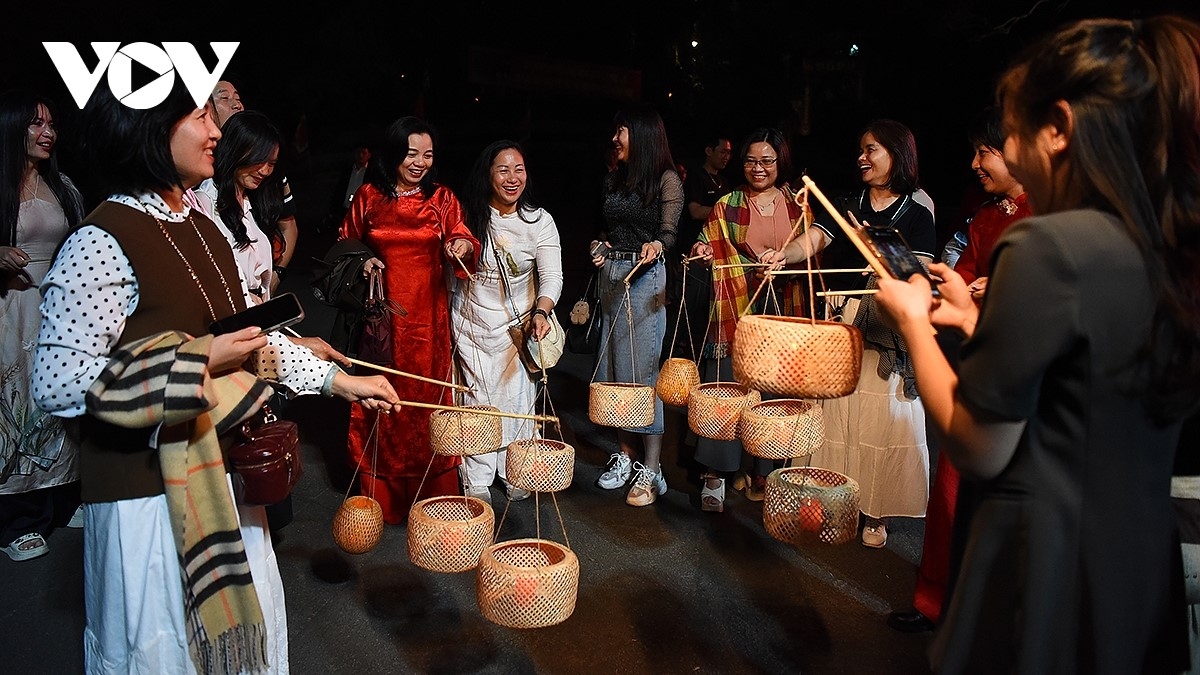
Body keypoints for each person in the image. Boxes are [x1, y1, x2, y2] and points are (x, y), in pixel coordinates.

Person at [31, 81, 402, 674]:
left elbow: (246, 344)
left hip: (221, 479)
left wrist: (339, 383)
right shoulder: (101, 240)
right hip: (146, 499)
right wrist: (198, 360)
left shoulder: (205, 229)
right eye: (200, 117)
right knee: (163, 652)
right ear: (149, 128)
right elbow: (59, 382)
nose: (216, 131)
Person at [874, 15, 1200, 673]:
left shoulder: (1047, 244)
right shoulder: (1169, 245)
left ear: (1059, 128)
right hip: (1139, 560)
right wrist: (972, 321)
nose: (1004, 152)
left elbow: (978, 443)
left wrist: (914, 319)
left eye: (1012, 131)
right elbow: (1090, 381)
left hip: (1046, 562)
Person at [887, 105, 1030, 634]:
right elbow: (965, 270)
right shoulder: (988, 216)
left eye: (984, 151)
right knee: (950, 488)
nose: (975, 163)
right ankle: (936, 602)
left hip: (1023, 377)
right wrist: (949, 283)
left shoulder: (1056, 218)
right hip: (977, 359)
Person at [338, 115, 479, 524]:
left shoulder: (441, 199)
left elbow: (465, 237)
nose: (420, 162)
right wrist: (363, 262)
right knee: (379, 396)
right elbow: (345, 244)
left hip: (426, 323)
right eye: (411, 153)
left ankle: (431, 495)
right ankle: (378, 496)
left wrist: (458, 246)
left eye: (428, 155)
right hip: (380, 320)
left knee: (424, 403)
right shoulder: (368, 196)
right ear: (394, 152)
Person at [804, 119, 936, 547]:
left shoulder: (916, 213)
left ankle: (875, 513)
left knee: (881, 421)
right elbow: (813, 241)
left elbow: (913, 276)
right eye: (861, 149)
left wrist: (876, 249)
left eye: (872, 149)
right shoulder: (847, 202)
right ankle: (832, 502)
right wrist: (782, 254)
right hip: (845, 320)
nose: (862, 157)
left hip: (884, 325)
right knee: (836, 416)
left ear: (897, 155)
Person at [688, 128, 832, 511]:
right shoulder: (729, 203)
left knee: (776, 392)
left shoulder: (798, 205)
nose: (758, 168)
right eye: (751, 160)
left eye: (767, 160)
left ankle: (762, 470)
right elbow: (708, 239)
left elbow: (814, 252)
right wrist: (703, 248)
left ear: (780, 162)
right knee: (728, 388)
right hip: (738, 309)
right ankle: (715, 475)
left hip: (785, 308)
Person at [451, 140, 563, 505]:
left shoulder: (538, 221)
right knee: (479, 399)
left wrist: (542, 312)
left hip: (517, 327)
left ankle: (514, 468)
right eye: (503, 170)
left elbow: (552, 277)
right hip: (471, 322)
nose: (512, 178)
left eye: (518, 169)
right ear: (488, 175)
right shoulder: (468, 215)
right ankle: (477, 475)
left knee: (518, 398)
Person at [0, 90, 84, 562]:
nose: (47, 132)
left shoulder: (62, 185)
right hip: (9, 311)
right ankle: (16, 520)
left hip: (55, 311)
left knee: (56, 403)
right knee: (13, 409)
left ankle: (59, 500)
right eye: (35, 123)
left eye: (51, 124)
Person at [590, 103, 682, 507]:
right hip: (611, 275)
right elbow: (610, 230)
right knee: (612, 371)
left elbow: (669, 234)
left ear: (642, 135)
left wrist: (656, 244)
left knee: (643, 374)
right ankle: (625, 457)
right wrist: (600, 246)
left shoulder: (667, 180)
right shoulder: (615, 177)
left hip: (646, 278)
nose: (616, 138)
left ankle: (653, 468)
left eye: (623, 130)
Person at [206, 80, 297, 296]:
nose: (265, 171)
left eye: (238, 98)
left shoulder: (253, 194)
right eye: (225, 98)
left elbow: (289, 226)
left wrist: (276, 276)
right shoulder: (203, 197)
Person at [664, 134, 733, 363]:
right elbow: (694, 211)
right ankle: (671, 358)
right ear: (708, 151)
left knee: (709, 312)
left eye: (729, 153)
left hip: (719, 257)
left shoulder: (724, 181)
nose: (726, 156)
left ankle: (700, 359)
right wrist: (722, 211)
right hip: (694, 254)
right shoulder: (696, 177)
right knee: (687, 309)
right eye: (722, 151)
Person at [322, 143, 372, 235]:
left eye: (363, 153)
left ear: (369, 155)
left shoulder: (372, 173)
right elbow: (339, 190)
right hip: (345, 210)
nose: (360, 156)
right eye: (358, 152)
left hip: (362, 212)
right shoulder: (347, 171)